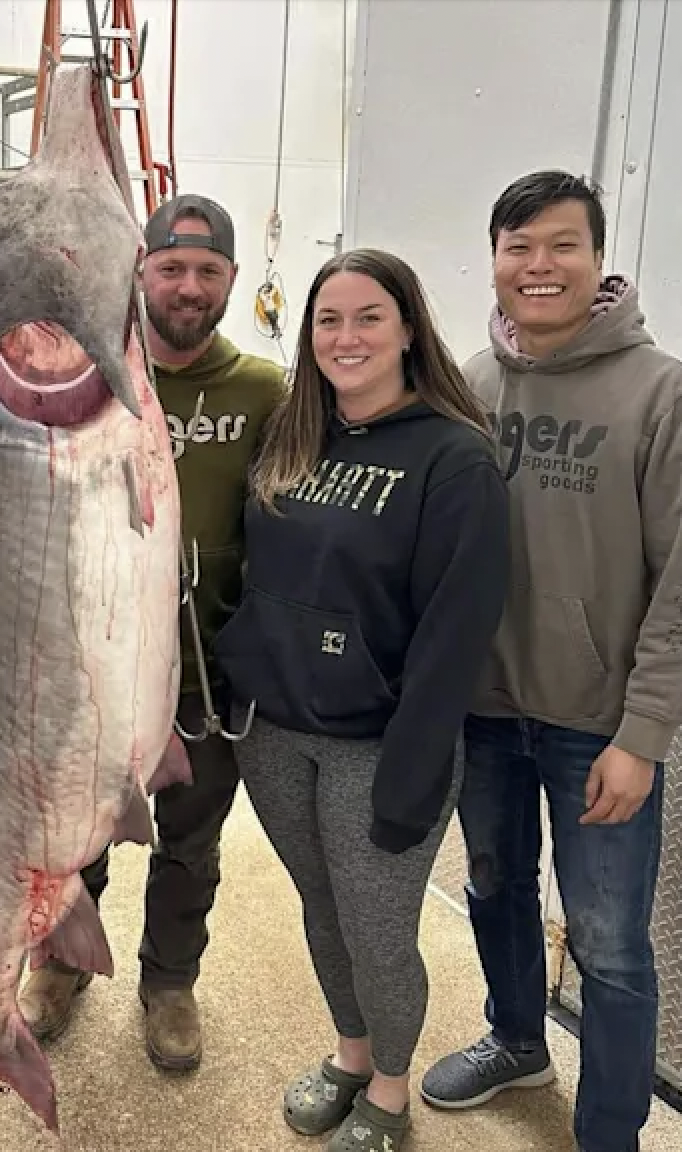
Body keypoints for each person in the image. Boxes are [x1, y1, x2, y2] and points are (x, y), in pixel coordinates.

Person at [212, 248, 510, 1151]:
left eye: (369, 317)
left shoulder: (454, 459)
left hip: (379, 744)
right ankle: (350, 1053)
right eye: (328, 319)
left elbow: (455, 635)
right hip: (275, 731)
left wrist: (414, 775)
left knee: (378, 932)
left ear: (409, 327)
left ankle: (389, 1087)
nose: (347, 337)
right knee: (322, 907)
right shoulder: (294, 436)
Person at [421, 171, 682, 1152]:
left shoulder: (660, 392)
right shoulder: (469, 387)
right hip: (485, 711)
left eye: (562, 245)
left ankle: (610, 1131)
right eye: (518, 247)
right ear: (493, 261)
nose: (539, 266)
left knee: (609, 942)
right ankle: (517, 1039)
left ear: (598, 258)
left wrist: (643, 735)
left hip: (596, 725)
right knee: (493, 887)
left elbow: (678, 585)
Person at [17, 194, 286, 1071]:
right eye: (171, 267)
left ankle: (170, 981)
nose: (189, 286)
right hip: (92, 670)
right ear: (141, 273)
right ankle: (61, 961)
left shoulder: (264, 391)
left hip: (208, 671)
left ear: (232, 281)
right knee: (78, 828)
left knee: (190, 845)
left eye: (208, 271)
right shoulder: (96, 378)